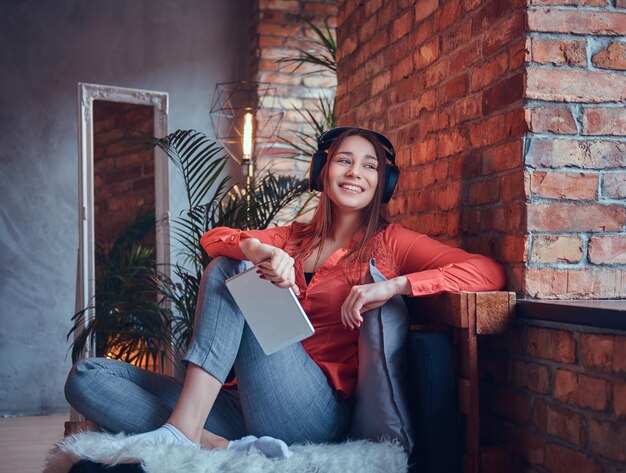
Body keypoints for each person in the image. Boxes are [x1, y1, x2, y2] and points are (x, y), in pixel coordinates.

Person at [65, 127, 505, 457]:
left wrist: (394, 285)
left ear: (384, 183)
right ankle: (206, 439)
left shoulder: (393, 243)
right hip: (242, 404)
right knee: (86, 379)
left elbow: (485, 272)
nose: (355, 172)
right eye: (343, 161)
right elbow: (216, 238)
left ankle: (181, 434)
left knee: (233, 267)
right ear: (323, 170)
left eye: (370, 165)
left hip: (311, 412)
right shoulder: (292, 237)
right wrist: (260, 249)